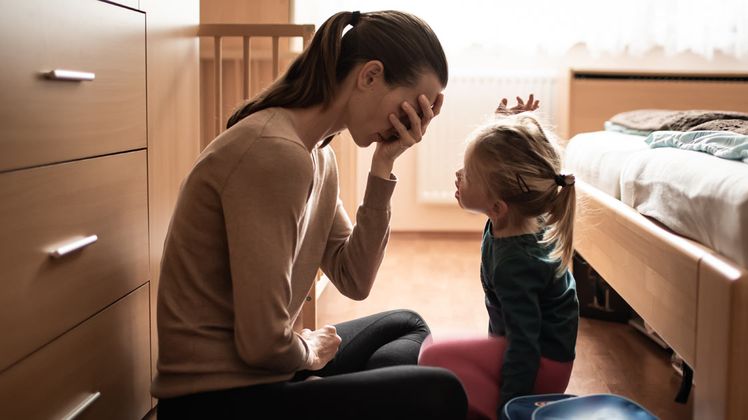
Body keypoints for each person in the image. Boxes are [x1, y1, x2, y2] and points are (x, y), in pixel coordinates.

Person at [152, 10, 467, 420]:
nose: (406, 125)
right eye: (408, 108)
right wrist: (310, 353)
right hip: (215, 399)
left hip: (266, 375)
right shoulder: (273, 151)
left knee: (406, 325)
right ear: (369, 76)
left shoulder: (319, 156)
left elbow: (354, 279)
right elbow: (262, 343)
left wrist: (383, 166)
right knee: (442, 394)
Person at [418, 96, 579, 420]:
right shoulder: (524, 213)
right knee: (432, 355)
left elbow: (524, 347)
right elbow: (512, 170)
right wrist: (505, 126)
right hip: (544, 355)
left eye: (470, 175)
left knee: (431, 358)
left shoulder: (515, 263)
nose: (458, 174)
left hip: (541, 368)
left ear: (497, 207)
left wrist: (512, 407)